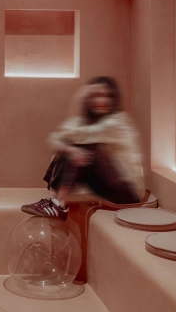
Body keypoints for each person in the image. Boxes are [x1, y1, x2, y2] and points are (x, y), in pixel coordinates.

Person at [21, 76, 144, 221]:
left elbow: (79, 138)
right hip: (106, 187)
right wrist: (68, 149)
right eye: (96, 95)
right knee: (69, 148)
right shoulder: (88, 123)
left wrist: (78, 99)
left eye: (107, 96)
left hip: (128, 192)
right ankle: (53, 201)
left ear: (114, 99)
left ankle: (59, 205)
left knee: (86, 148)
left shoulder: (118, 121)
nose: (101, 100)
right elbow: (54, 138)